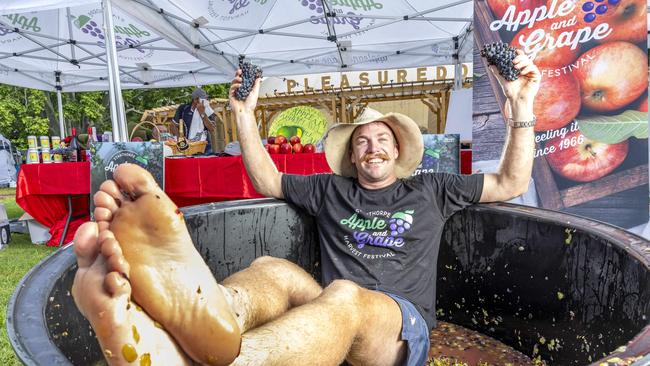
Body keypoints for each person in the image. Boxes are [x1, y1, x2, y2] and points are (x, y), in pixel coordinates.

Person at [71, 51, 539, 366]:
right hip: (328, 308)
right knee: (271, 267)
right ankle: (214, 317)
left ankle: (234, 359)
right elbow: (267, 179)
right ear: (351, 156)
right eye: (362, 142)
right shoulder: (330, 189)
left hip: (399, 327)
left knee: (345, 296)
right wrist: (242, 113)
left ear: (398, 150)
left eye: (382, 140)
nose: (372, 148)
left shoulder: (433, 188)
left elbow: (511, 181)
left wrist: (521, 106)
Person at [171, 87, 217, 153]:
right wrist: (180, 139)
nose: (207, 100)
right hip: (187, 147)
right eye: (204, 99)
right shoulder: (183, 108)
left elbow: (212, 129)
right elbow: (173, 125)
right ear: (196, 100)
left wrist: (202, 113)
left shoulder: (207, 109)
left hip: (205, 147)